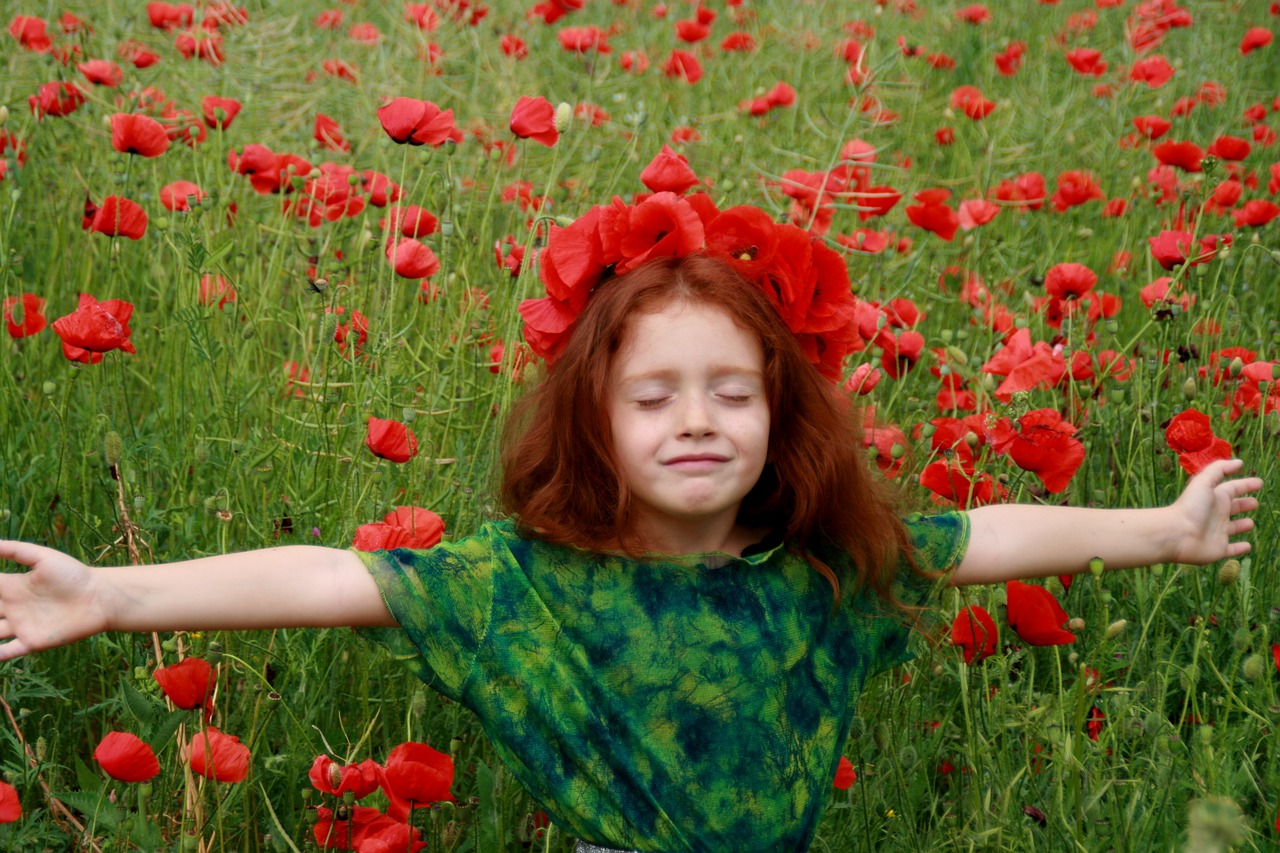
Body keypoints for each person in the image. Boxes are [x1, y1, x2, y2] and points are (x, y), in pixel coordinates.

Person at [0, 236, 1263, 853]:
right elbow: (337, 574)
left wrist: (1161, 527)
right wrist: (111, 593)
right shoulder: (528, 584)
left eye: (732, 390)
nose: (698, 420)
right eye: (653, 395)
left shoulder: (817, 566)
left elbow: (978, 533)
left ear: (781, 412)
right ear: (594, 422)